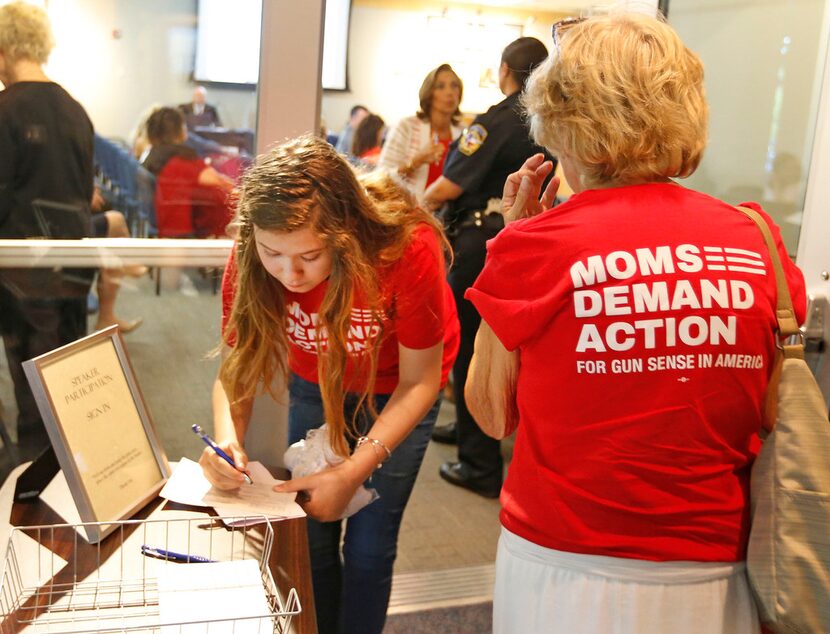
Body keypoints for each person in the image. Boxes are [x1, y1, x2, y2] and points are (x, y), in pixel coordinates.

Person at [464, 13, 806, 633]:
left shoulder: (536, 245)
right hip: (718, 566)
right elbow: (768, 409)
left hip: (562, 563)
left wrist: (515, 239)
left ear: (561, 121)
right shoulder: (756, 238)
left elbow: (492, 415)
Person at [199, 135, 459, 634]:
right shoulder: (252, 253)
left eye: (310, 257)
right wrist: (227, 440)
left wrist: (354, 470)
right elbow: (237, 369)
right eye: (273, 253)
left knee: (369, 545)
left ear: (344, 233)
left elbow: (421, 381)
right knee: (310, 533)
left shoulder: (406, 247)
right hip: (316, 379)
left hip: (397, 388)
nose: (289, 273)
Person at [423, 37, 554, 498]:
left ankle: (477, 463)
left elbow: (449, 186)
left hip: (482, 243)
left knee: (470, 344)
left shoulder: (496, 120)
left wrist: (415, 211)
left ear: (504, 71)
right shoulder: (554, 119)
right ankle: (468, 427)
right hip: (536, 241)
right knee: (506, 343)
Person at [0, 1, 95, 456]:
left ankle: (31, 503)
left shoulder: (6, 111)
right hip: (73, 269)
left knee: (31, 395)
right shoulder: (75, 110)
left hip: (22, 273)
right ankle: (66, 486)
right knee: (67, 387)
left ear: (3, 49)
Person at [142, 106, 235, 238]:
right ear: (181, 130)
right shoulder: (182, 160)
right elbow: (220, 182)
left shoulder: (152, 158)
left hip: (165, 227)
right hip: (187, 234)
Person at [378, 63, 464, 198]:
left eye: (454, 86)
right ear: (428, 93)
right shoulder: (407, 126)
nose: (450, 92)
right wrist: (415, 162)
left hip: (451, 214)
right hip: (409, 211)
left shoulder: (463, 132)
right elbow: (381, 177)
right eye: (440, 86)